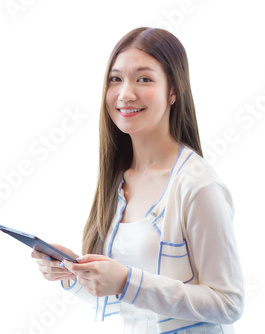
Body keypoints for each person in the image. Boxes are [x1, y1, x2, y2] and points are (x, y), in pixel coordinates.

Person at [31, 27, 244, 333]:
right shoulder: (119, 181)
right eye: (115, 79)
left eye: (144, 79)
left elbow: (229, 303)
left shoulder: (197, 186)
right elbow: (133, 300)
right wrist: (74, 273)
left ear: (174, 90)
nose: (125, 93)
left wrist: (126, 281)